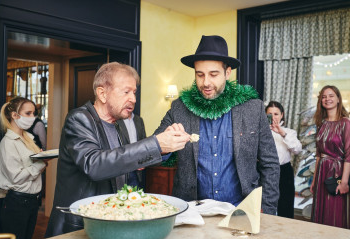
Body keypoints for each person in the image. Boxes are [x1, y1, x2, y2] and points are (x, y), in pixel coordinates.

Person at [45, 62, 190, 237]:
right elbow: (94, 165)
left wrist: (163, 149)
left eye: (134, 92)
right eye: (126, 92)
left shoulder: (118, 125)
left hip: (108, 223)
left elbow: (124, 160)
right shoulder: (78, 119)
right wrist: (155, 144)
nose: (134, 99)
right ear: (102, 93)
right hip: (79, 225)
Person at [154, 35, 280, 214]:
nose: (206, 82)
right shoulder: (179, 108)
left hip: (241, 209)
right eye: (200, 75)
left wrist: (267, 209)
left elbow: (270, 164)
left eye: (213, 74)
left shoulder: (253, 108)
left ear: (227, 72)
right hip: (191, 210)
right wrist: (165, 144)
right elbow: (153, 150)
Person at [0, 97, 50, 239]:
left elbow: (34, 170)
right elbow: (16, 177)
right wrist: (40, 164)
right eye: (28, 113)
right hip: (17, 203)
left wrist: (41, 162)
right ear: (15, 115)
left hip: (32, 201)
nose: (33, 117)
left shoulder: (28, 138)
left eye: (34, 113)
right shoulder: (8, 143)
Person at [310, 85, 350, 228]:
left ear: (338, 99)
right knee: (320, 211)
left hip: (337, 173)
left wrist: (344, 182)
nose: (327, 99)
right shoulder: (321, 123)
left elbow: (349, 156)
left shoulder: (345, 123)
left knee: (334, 212)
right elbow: (319, 155)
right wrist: (314, 180)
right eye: (324, 97)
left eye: (331, 96)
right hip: (322, 172)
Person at [265, 101, 302, 218]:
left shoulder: (290, 132)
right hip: (264, 172)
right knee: (264, 206)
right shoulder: (260, 132)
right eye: (270, 114)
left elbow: (297, 150)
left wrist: (282, 133)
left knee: (285, 207)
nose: (273, 117)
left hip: (284, 172)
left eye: (276, 114)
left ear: (282, 115)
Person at [117, 113, 147, 188]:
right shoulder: (116, 118)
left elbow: (143, 141)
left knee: (135, 196)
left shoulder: (139, 120)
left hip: (137, 169)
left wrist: (143, 160)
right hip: (120, 169)